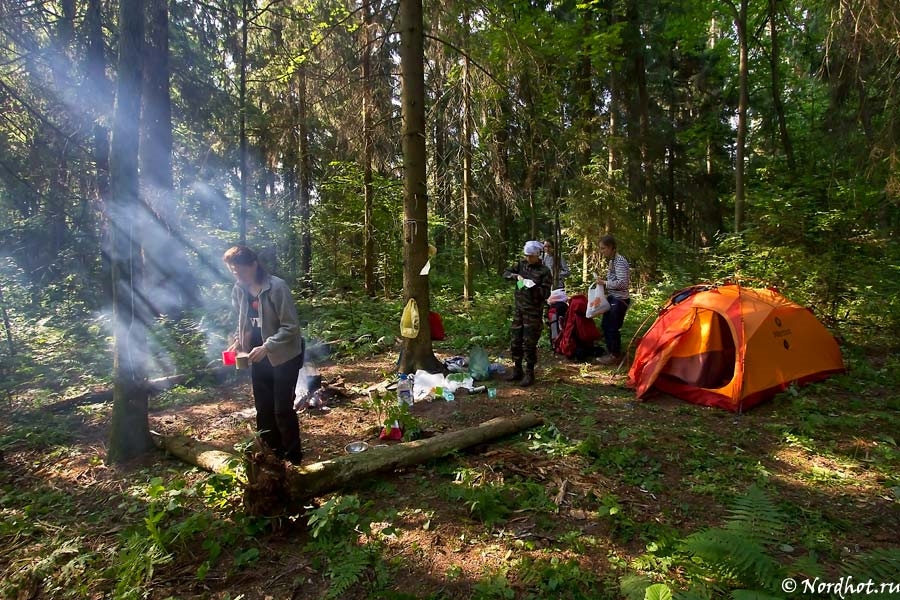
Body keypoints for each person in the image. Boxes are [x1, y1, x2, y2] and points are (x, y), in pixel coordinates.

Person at [223, 245, 305, 464]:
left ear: (253, 265)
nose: (238, 276)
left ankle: (293, 459)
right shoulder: (239, 290)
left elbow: (291, 328)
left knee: (282, 409)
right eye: (233, 272)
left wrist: (267, 347)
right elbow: (244, 323)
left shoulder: (277, 287)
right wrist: (238, 343)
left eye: (240, 270)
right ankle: (271, 456)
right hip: (256, 356)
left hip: (284, 355)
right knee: (263, 409)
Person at [502, 240, 552, 387]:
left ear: (537, 255)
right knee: (515, 341)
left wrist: (533, 287)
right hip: (519, 310)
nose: (528, 259)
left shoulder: (544, 271)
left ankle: (529, 372)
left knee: (529, 343)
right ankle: (517, 369)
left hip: (533, 313)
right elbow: (505, 273)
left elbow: (546, 293)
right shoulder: (521, 265)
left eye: (531, 256)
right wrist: (516, 277)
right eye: (526, 255)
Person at [594, 234, 631, 365]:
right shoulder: (612, 261)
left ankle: (615, 355)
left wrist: (604, 282)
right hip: (612, 297)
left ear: (611, 247)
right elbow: (613, 280)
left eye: (603, 248)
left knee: (612, 327)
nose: (602, 251)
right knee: (605, 325)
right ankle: (611, 351)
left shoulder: (620, 261)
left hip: (620, 299)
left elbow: (623, 283)